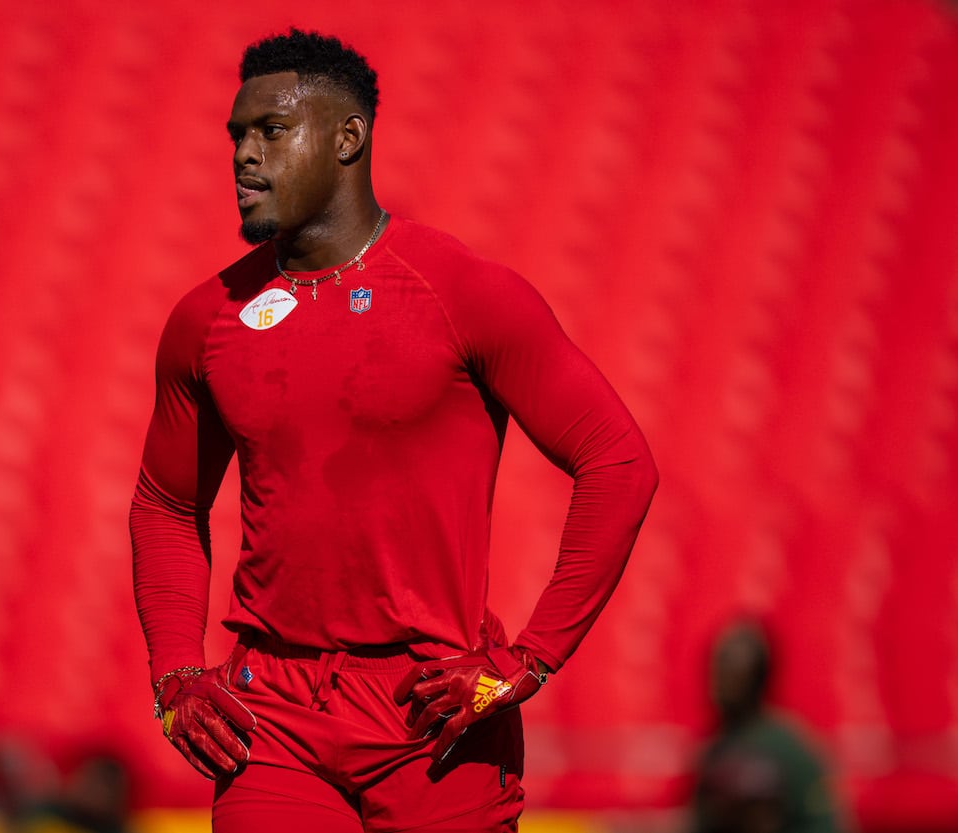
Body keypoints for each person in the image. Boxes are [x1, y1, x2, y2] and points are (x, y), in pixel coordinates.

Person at [129, 28, 658, 833]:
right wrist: (174, 672)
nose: (243, 155)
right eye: (237, 135)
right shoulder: (206, 319)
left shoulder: (464, 293)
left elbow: (618, 460)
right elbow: (166, 503)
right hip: (270, 720)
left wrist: (530, 657)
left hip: (434, 718)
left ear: (350, 137)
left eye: (270, 131)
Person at [687, 620, 844, 833]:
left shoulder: (792, 751)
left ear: (757, 679)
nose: (718, 686)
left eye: (731, 676)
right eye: (717, 672)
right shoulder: (715, 751)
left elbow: (823, 823)